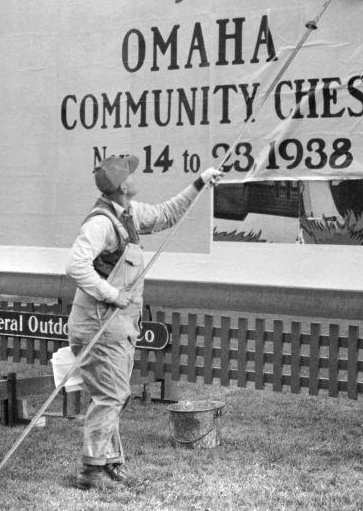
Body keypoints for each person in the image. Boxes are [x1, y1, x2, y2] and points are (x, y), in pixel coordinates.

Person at [65, 154, 224, 489]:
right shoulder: (101, 223)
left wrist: (201, 182)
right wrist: (111, 293)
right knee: (111, 396)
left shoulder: (130, 214)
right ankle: (90, 471)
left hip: (116, 325)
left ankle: (111, 463)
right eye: (131, 173)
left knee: (112, 394)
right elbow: (76, 266)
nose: (137, 176)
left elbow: (168, 214)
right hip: (97, 324)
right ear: (123, 185)